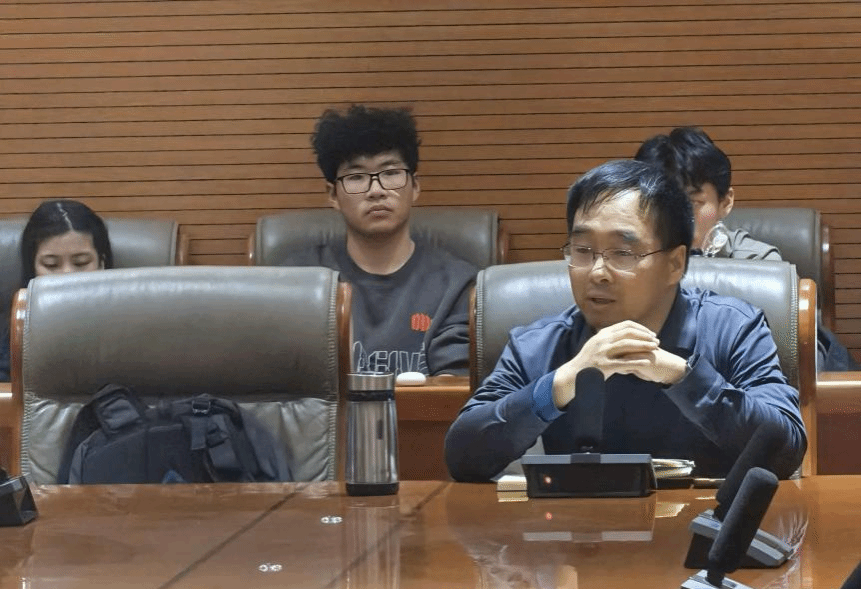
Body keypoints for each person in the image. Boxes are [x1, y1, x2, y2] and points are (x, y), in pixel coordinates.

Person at [444, 159, 806, 482]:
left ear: (675, 263)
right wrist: (565, 381)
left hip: (706, 526)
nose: (597, 272)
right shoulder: (539, 344)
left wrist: (680, 377)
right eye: (582, 251)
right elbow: (463, 457)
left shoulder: (732, 328)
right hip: (582, 531)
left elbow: (785, 451)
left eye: (622, 252)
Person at [635, 126, 859, 371]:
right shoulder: (624, 261)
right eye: (661, 202)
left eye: (693, 202)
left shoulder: (760, 265)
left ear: (725, 202)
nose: (676, 216)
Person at [278, 104, 476, 376]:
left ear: (415, 186)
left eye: (390, 173)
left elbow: (453, 390)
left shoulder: (457, 285)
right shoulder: (297, 281)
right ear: (333, 195)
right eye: (356, 177)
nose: (376, 190)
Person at [0, 199, 112, 381]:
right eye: (51, 265)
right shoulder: (12, 327)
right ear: (32, 269)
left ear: (102, 264)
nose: (67, 276)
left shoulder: (132, 323)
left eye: (81, 263)